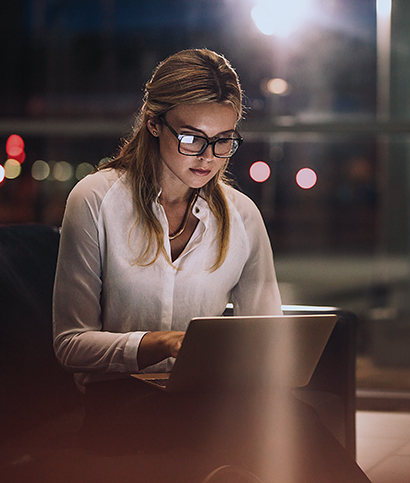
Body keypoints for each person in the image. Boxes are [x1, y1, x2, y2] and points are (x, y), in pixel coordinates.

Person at [50, 48, 370, 483]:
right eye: (191, 138)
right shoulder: (95, 200)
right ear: (153, 124)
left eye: (224, 141)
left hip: (212, 399)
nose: (209, 156)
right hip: (119, 401)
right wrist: (161, 343)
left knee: (286, 422)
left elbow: (266, 333)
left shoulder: (240, 216)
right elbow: (70, 344)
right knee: (257, 428)